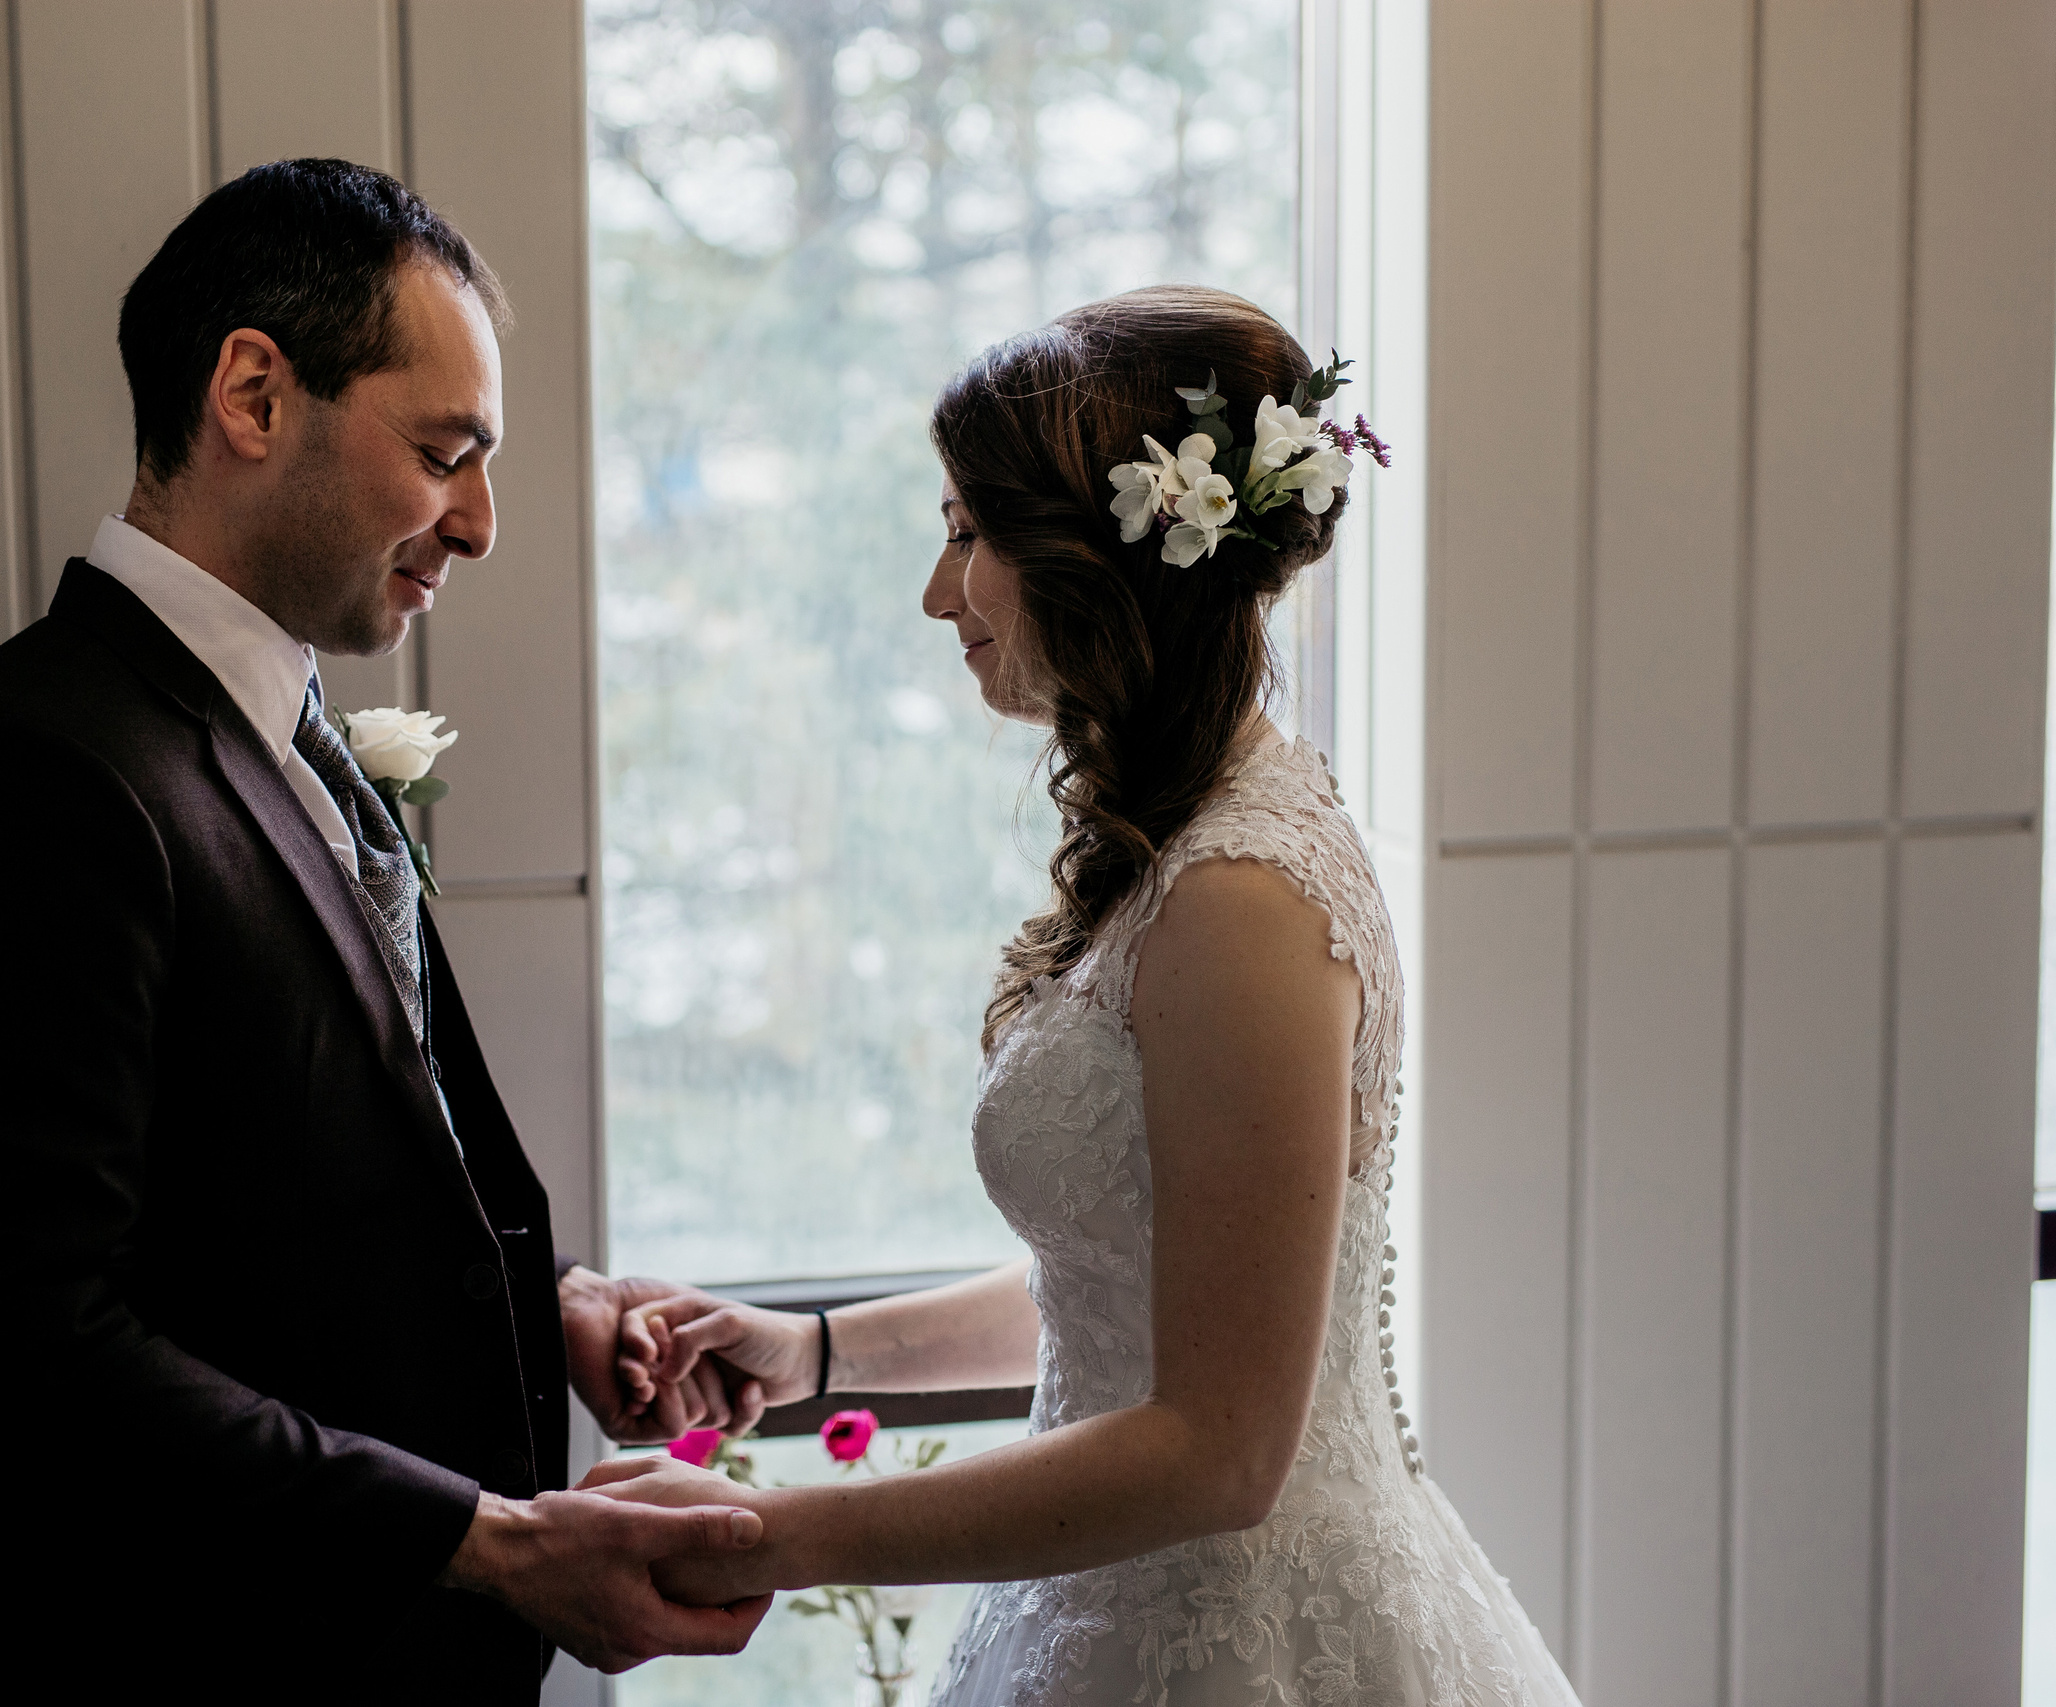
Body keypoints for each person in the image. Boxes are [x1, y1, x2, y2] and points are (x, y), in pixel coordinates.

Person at [588, 286, 1585, 1706]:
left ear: (1096, 555)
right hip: (1111, 1610)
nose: (942, 596)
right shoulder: (1181, 838)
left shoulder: (1244, 898)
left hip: (1240, 1647)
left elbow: (1221, 1448)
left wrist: (769, 1533)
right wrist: (810, 1354)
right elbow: (1128, 1271)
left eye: (964, 536)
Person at [0, 158, 770, 1702]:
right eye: (444, 451)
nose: (479, 523)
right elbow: (24, 1352)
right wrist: (488, 1542)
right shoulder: (39, 772)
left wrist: (526, 1311)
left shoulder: (279, 725)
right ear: (256, 397)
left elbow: (248, 1206)